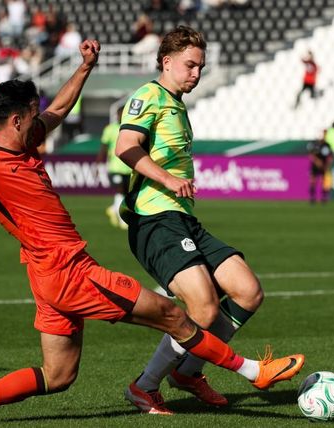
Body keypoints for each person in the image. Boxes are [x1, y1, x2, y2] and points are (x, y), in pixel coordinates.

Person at [0, 40, 303, 426]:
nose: (41, 122)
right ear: (15, 120)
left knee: (59, 376)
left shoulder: (24, 141)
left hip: (45, 278)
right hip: (70, 271)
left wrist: (85, 66)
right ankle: (252, 372)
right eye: (33, 116)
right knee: (173, 315)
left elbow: (59, 109)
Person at [115, 26, 304, 414]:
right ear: (166, 61)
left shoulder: (178, 104)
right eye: (190, 65)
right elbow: (125, 147)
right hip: (155, 219)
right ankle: (144, 386)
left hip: (183, 218)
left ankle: (187, 371)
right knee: (203, 308)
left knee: (247, 291)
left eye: (201, 66)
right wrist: (168, 179)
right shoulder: (149, 95)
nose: (197, 73)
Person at [96, 106, 131, 229]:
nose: (120, 116)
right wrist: (98, 165)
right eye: (119, 113)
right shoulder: (110, 129)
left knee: (126, 193)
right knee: (120, 190)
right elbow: (103, 148)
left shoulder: (131, 128)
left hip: (129, 168)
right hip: (115, 167)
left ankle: (113, 209)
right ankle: (122, 219)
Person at [306, 133, 333, 204]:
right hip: (315, 166)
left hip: (324, 166)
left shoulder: (327, 145)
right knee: (313, 181)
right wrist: (317, 161)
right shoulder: (315, 144)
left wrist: (327, 164)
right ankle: (312, 197)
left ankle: (324, 197)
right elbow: (311, 155)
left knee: (324, 182)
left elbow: (330, 156)